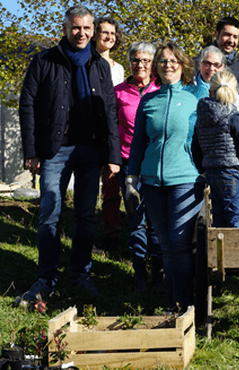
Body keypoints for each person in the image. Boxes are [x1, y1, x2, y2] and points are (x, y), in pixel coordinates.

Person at [17, 5, 121, 303]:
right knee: (50, 212)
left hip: (90, 150)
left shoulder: (99, 64)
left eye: (87, 28)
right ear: (65, 28)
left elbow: (110, 110)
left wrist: (112, 154)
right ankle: (46, 278)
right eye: (76, 28)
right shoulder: (44, 60)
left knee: (86, 217)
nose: (82, 33)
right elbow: (28, 106)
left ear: (93, 30)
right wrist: (32, 151)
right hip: (54, 150)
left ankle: (81, 274)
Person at [125, 42, 203, 313]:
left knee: (180, 244)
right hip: (151, 183)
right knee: (166, 247)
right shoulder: (149, 100)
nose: (168, 65)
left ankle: (186, 304)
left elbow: (204, 141)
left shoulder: (195, 98)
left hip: (185, 180)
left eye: (173, 61)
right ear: (156, 67)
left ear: (182, 66)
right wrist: (130, 179)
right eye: (162, 62)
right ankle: (172, 304)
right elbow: (137, 144)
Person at [114, 41, 162, 292]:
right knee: (135, 218)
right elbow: (111, 129)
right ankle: (139, 271)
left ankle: (158, 271)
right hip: (127, 163)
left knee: (155, 219)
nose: (140, 65)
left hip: (155, 163)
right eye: (135, 60)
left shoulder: (161, 89)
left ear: (153, 64)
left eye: (145, 60)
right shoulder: (119, 92)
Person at [193, 71, 239, 228]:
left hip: (210, 171)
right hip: (230, 171)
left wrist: (201, 168)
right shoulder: (232, 115)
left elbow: (195, 145)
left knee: (218, 214)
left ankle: (219, 251)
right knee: (235, 214)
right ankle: (234, 251)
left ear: (210, 91)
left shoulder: (202, 115)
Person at [91, 16, 125, 251]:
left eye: (112, 33)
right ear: (94, 35)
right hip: (92, 131)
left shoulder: (119, 68)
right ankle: (89, 236)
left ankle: (113, 236)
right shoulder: (87, 62)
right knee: (90, 187)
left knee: (111, 186)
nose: (108, 37)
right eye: (104, 32)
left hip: (114, 132)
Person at [196, 17, 239, 113]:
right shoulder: (197, 63)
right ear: (216, 35)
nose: (231, 40)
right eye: (227, 35)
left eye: (235, 37)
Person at [194, 45, 239, 135]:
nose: (211, 68)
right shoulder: (188, 87)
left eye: (216, 65)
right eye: (207, 63)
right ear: (200, 65)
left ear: (222, 67)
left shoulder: (231, 93)